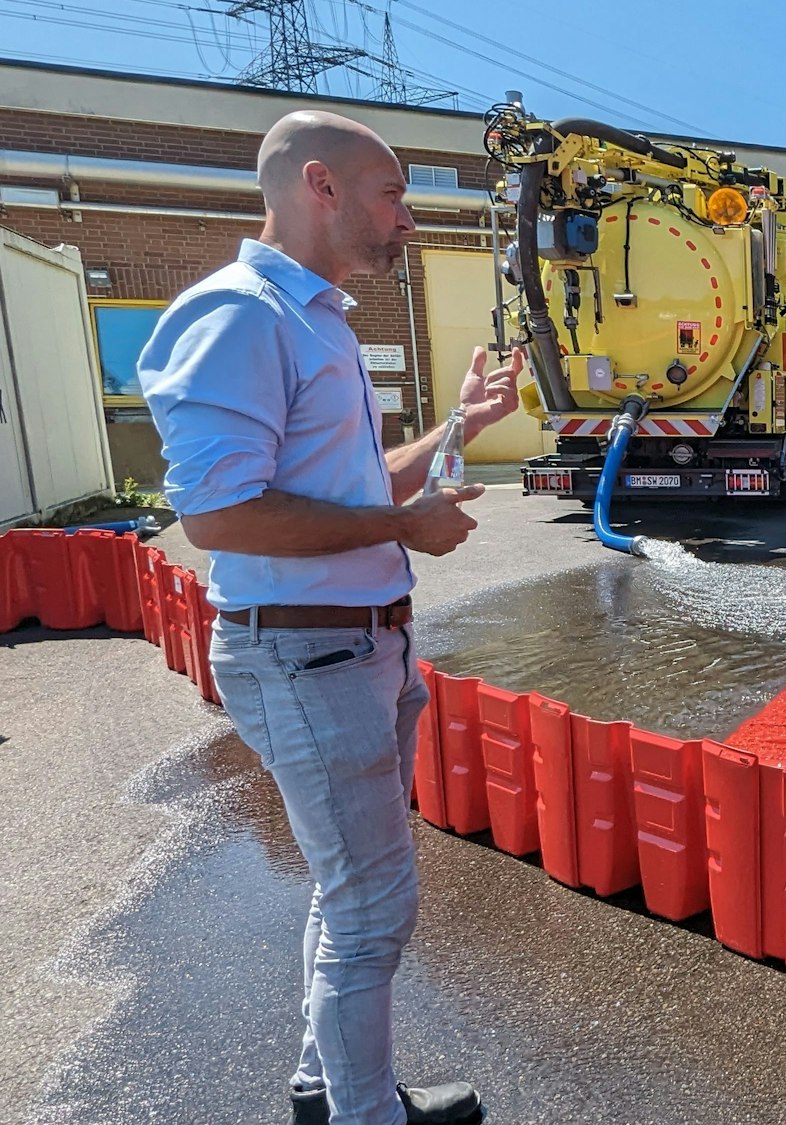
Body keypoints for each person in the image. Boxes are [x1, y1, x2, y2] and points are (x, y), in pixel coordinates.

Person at [135, 110, 515, 1125]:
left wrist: (457, 431)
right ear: (320, 185)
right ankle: (361, 1115)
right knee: (372, 902)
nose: (406, 221)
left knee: (351, 888)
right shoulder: (241, 315)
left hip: (357, 647)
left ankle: (329, 1089)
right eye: (392, 195)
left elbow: (346, 486)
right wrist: (405, 525)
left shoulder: (316, 319)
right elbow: (218, 514)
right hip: (306, 653)